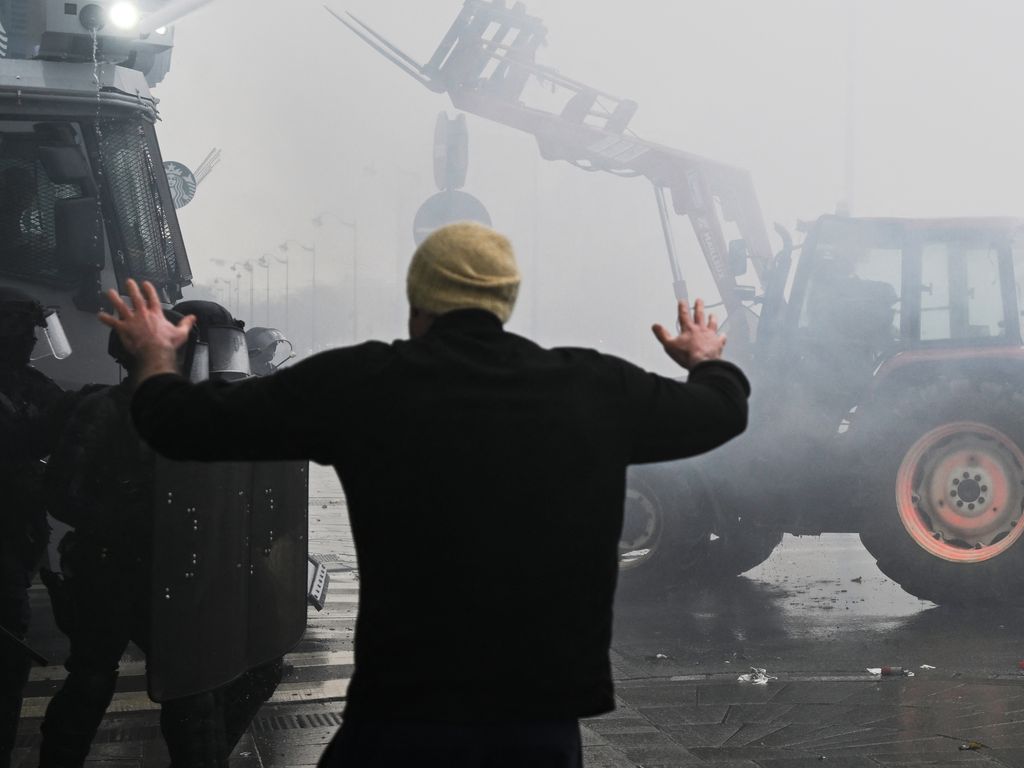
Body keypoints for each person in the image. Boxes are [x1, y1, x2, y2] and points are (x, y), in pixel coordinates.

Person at [101, 222, 751, 767]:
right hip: (541, 718)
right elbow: (721, 410)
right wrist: (705, 357)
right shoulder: (592, 388)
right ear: (504, 302)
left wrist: (153, 355)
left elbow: (177, 425)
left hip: (404, 712)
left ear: (418, 305)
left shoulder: (362, 384)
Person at [38, 309, 282, 768]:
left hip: (171, 571)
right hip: (109, 568)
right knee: (91, 682)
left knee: (193, 692)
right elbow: (62, 493)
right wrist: (127, 518)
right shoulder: (103, 409)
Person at [0, 287, 72, 768]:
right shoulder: (18, 389)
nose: (32, 341)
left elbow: (62, 413)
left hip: (18, 536)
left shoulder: (28, 383)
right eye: (25, 331)